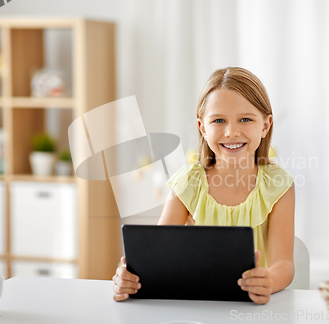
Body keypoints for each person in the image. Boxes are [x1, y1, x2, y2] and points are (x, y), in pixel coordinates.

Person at [112, 67, 295, 305]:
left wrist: (268, 280)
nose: (231, 132)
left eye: (246, 119)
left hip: (255, 311)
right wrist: (126, 279)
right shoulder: (188, 183)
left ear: (265, 125)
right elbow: (155, 258)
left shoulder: (278, 185)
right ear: (202, 127)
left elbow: (285, 265)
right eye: (219, 120)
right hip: (197, 308)